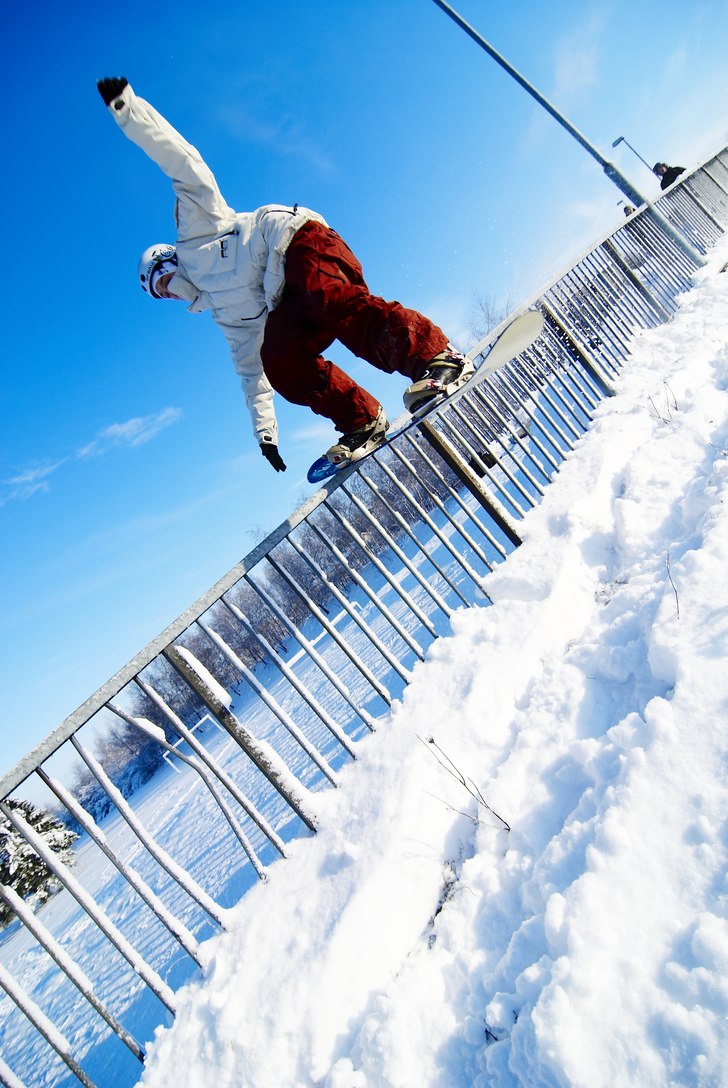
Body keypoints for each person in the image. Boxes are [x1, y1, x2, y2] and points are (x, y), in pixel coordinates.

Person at [96, 78, 472, 473]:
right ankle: (361, 419)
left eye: (164, 279)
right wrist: (265, 434)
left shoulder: (196, 234)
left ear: (170, 262)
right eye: (161, 294)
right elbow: (250, 374)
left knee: (322, 293)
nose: (169, 292)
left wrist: (129, 114)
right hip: (288, 299)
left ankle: (435, 356)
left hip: (297, 242)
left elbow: (184, 165)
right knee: (276, 356)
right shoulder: (225, 314)